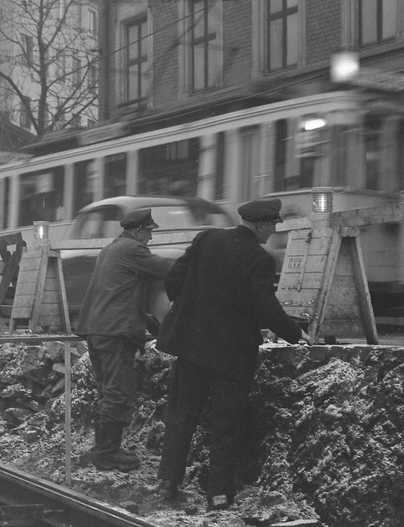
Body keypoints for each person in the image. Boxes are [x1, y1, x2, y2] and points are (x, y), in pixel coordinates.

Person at [156, 198, 310, 508]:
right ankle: (219, 494)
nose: (274, 231)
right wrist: (298, 334)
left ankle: (168, 484)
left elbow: (173, 281)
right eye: (273, 225)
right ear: (261, 225)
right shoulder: (259, 258)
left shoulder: (207, 239)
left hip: (192, 346)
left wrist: (191, 311)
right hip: (231, 355)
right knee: (226, 423)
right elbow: (266, 309)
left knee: (182, 415)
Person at [75, 208, 172, 471]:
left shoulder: (110, 249)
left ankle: (104, 448)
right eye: (149, 232)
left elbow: (123, 293)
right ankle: (107, 453)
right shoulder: (132, 250)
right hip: (114, 331)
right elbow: (167, 269)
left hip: (99, 329)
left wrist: (148, 321)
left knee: (108, 390)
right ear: (139, 230)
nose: (150, 238)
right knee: (118, 392)